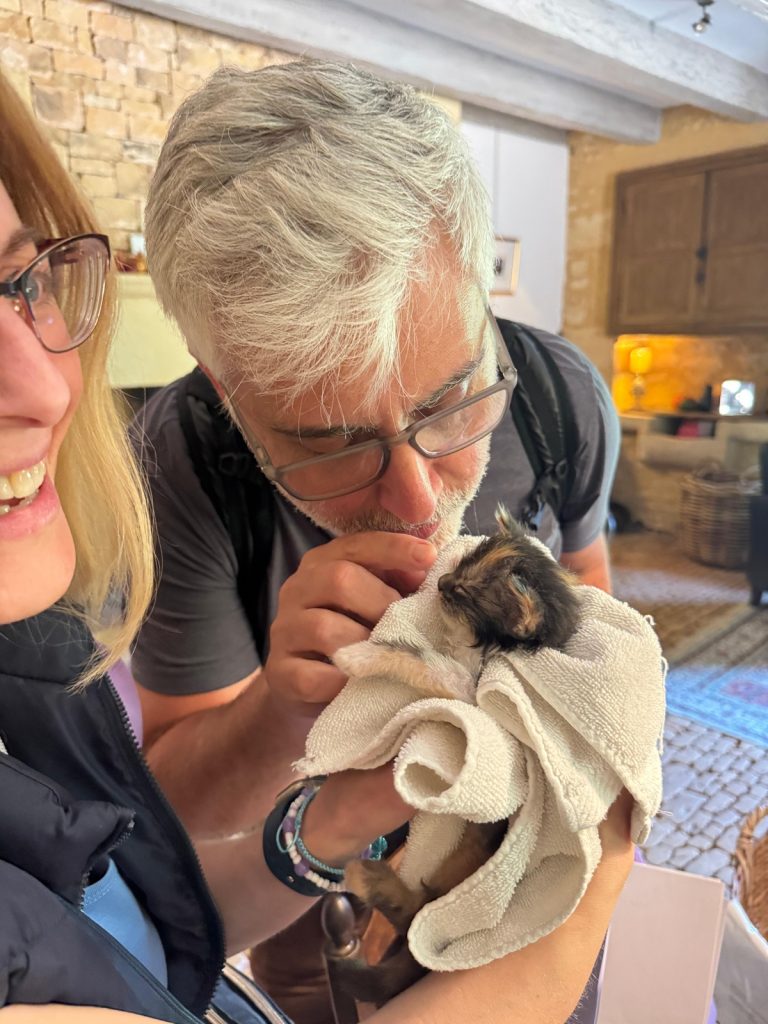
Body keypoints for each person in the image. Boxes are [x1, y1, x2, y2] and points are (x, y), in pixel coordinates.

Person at [0, 62, 635, 1024]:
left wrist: (587, 731)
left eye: (453, 401)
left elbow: (593, 594)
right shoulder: (174, 468)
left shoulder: (558, 403)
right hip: (320, 913)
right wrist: (278, 716)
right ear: (221, 382)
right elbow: (170, 819)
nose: (418, 497)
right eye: (328, 442)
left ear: (477, 298)